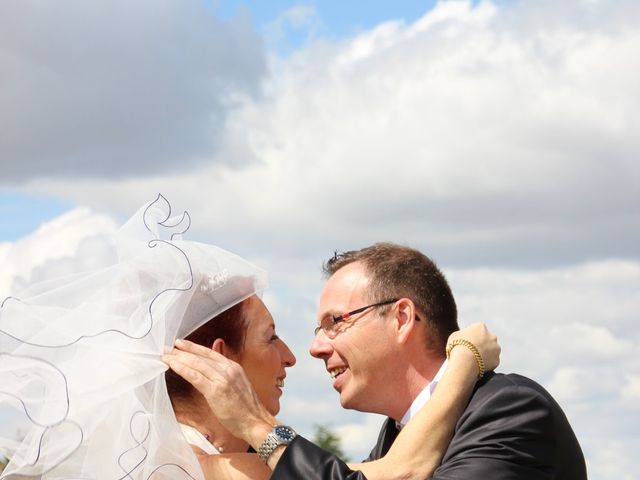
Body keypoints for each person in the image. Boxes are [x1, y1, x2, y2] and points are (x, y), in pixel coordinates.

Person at [167, 242, 588, 479]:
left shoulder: (509, 409)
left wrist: (260, 428)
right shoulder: (390, 444)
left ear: (402, 317)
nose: (313, 350)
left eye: (335, 322)